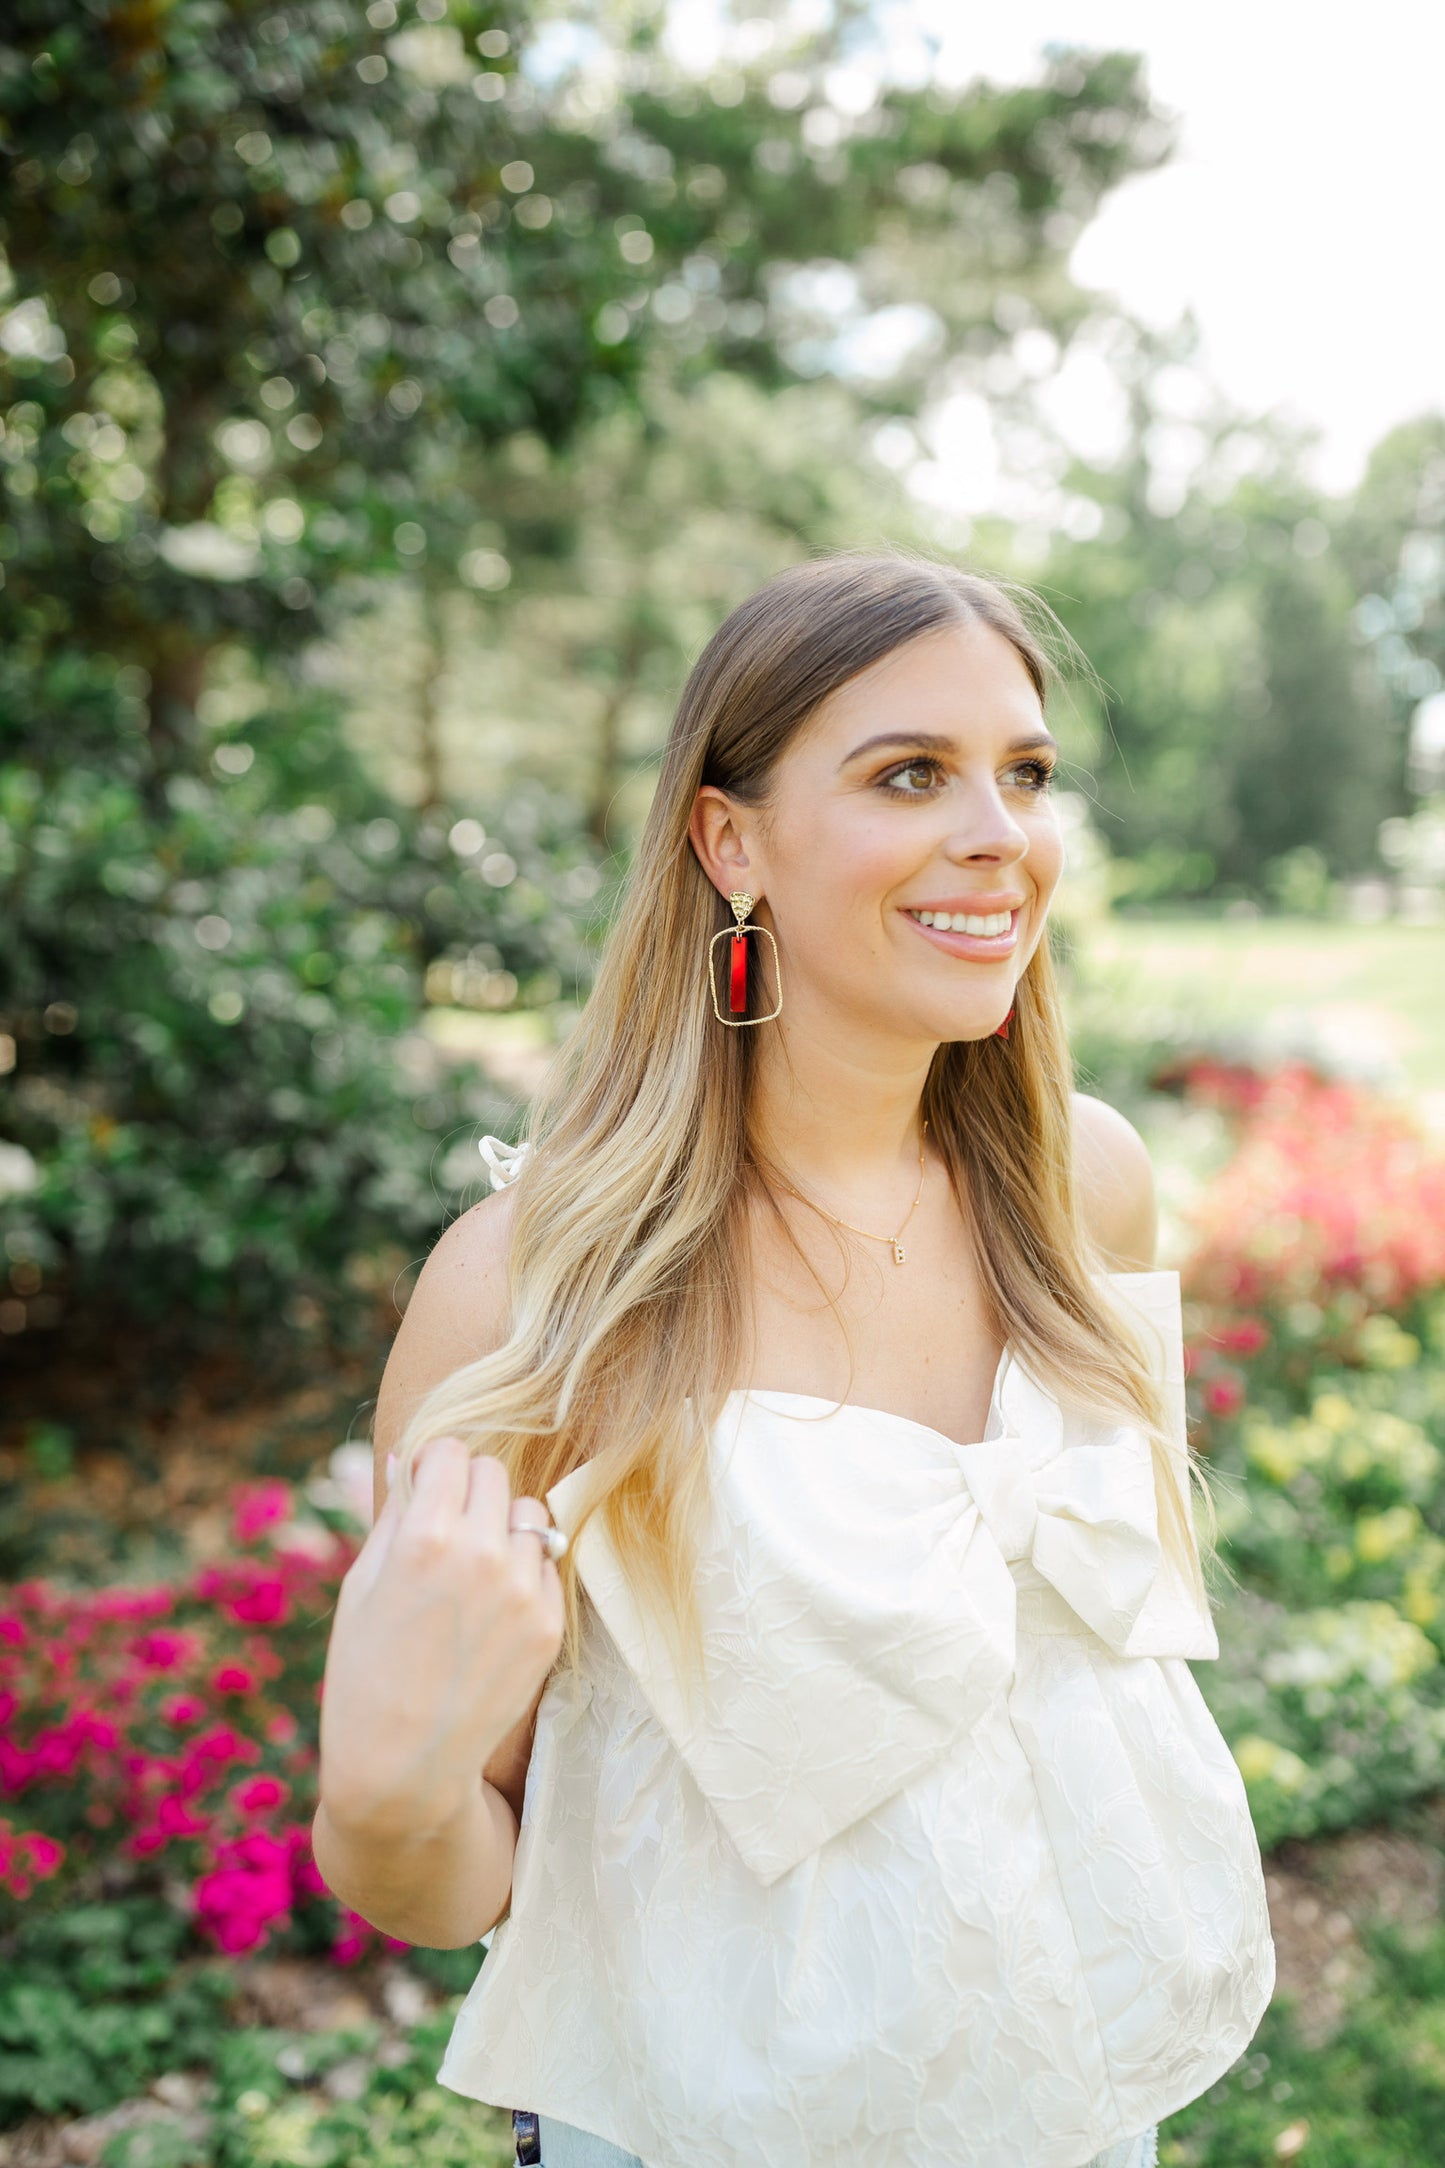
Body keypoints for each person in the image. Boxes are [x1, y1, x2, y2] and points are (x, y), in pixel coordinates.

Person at [312, 551, 1276, 2168]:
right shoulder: (541, 1293)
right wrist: (385, 1797)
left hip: (1080, 2111)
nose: (999, 833)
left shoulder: (1085, 1190)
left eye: (1024, 773)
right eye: (910, 774)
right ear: (729, 841)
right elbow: (461, 1884)